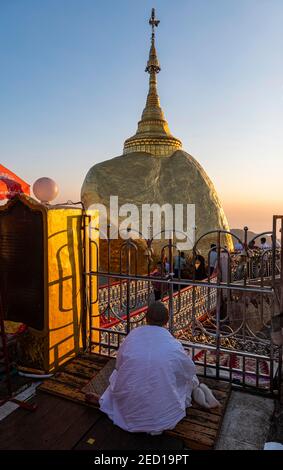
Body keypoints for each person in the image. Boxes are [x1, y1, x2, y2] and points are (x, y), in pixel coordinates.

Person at [86, 302, 219, 434]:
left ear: (146, 318)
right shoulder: (173, 345)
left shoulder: (133, 336)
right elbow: (189, 371)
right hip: (163, 417)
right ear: (166, 321)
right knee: (188, 380)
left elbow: (119, 365)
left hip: (129, 412)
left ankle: (106, 402)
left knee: (118, 377)